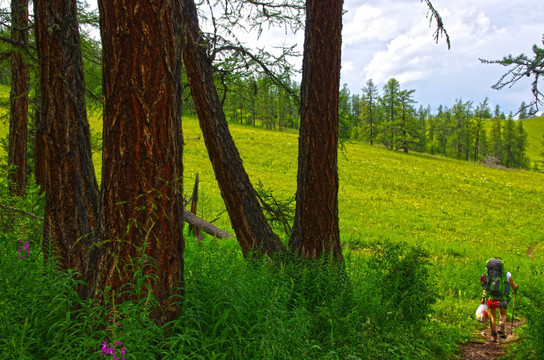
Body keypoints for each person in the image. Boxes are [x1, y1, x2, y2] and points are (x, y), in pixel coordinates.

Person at [481, 258, 519, 342]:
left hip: (492, 299)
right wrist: (516, 287)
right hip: (503, 299)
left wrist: (483, 298)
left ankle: (493, 336)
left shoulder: (487, 275)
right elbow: (513, 286)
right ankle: (501, 326)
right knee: (503, 315)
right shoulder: (507, 274)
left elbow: (485, 287)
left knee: (493, 316)